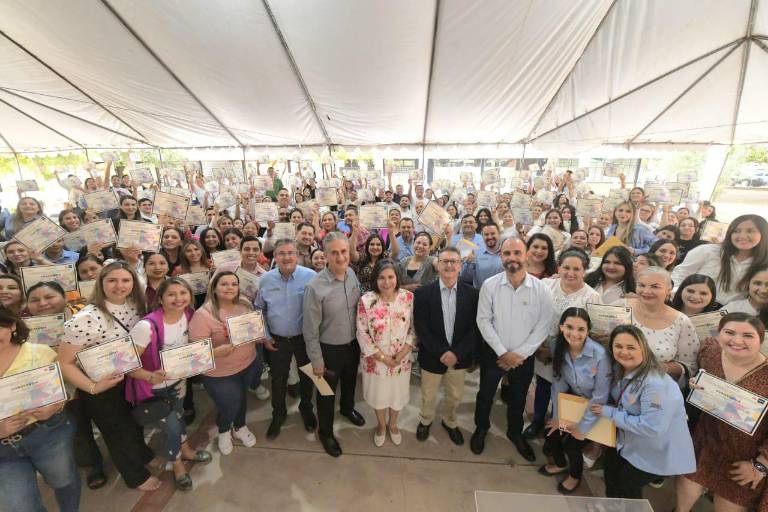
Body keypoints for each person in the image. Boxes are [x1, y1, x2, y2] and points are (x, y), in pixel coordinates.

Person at [58, 261, 160, 491]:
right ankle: (135, 476)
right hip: (100, 385)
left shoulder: (136, 305)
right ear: (101, 283)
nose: (119, 286)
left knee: (133, 423)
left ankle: (143, 454)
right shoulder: (85, 318)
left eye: (125, 280)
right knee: (118, 432)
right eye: (112, 280)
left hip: (129, 376)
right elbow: (64, 362)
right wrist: (93, 387)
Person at [125, 278, 212, 490]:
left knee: (179, 418)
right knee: (172, 428)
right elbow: (125, 364)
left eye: (183, 293)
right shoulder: (146, 326)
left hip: (179, 382)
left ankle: (187, 450)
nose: (178, 298)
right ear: (160, 298)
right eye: (171, 294)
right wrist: (148, 375)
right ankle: (177, 464)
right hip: (155, 390)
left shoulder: (189, 316)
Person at [472, 237, 555, 460]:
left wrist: (520, 355)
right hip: (494, 353)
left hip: (523, 357)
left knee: (518, 398)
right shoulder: (490, 285)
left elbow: (543, 325)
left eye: (517, 253)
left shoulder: (541, 290)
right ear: (501, 257)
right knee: (485, 394)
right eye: (507, 253)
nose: (512, 258)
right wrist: (502, 352)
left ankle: (514, 432)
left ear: (526, 255)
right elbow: (483, 321)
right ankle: (481, 428)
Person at [590, 325, 695, 499]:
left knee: (627, 486)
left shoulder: (656, 385)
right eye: (618, 346)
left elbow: (652, 428)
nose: (624, 352)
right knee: (611, 475)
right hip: (627, 441)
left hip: (653, 451)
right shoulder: (622, 370)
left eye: (631, 347)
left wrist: (610, 413)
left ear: (644, 349)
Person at [677, 313, 768, 511]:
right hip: (704, 442)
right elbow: (696, 372)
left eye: (748, 336)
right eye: (729, 332)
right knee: (684, 499)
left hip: (744, 457)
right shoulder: (710, 352)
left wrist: (761, 464)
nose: (737, 340)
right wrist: (695, 383)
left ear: (760, 339)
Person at [0, 308, 81, 512]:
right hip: (3, 451)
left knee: (64, 480)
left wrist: (55, 405)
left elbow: (69, 387)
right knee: (20, 506)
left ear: (11, 325)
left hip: (48, 433)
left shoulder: (40, 353)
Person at [526, 249, 601, 439]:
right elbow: (532, 315)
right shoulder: (546, 285)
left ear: (585, 270)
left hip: (572, 356)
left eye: (577, 269)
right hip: (542, 348)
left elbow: (593, 332)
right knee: (542, 386)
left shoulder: (592, 297)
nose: (570, 273)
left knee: (564, 392)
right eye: (566, 267)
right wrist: (538, 348)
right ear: (559, 267)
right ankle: (537, 421)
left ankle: (558, 427)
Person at [303, 232, 365, 458]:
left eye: (344, 251)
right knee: (325, 394)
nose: (341, 257)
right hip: (328, 350)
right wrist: (317, 361)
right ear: (325, 255)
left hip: (352, 345)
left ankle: (347, 408)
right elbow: (309, 330)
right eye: (334, 253)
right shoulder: (315, 288)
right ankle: (326, 433)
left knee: (349, 383)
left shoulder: (351, 273)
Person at [538, 308, 611, 495]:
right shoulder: (557, 345)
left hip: (596, 407)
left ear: (588, 331)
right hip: (573, 401)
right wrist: (557, 416)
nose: (575, 334)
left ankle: (575, 475)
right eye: (569, 327)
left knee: (572, 443)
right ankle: (561, 465)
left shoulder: (600, 355)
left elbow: (600, 397)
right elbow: (558, 383)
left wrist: (582, 428)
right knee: (551, 431)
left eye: (581, 329)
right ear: (561, 327)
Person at [413, 247, 479, 445]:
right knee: (428, 394)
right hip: (433, 356)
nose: (449, 265)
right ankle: (426, 419)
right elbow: (421, 327)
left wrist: (457, 353)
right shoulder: (423, 294)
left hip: (459, 358)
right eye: (445, 261)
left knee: (455, 395)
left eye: (454, 261)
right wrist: (442, 352)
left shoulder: (473, 294)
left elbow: (475, 329)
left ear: (460, 265)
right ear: (437, 265)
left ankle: (450, 421)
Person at [189, 271, 259, 455]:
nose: (230, 288)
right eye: (224, 284)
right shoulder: (202, 315)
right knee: (229, 404)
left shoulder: (244, 304)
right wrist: (215, 351)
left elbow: (252, 328)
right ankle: (224, 430)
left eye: (234, 284)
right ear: (214, 287)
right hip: (220, 373)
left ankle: (240, 426)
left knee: (242, 398)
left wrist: (257, 334)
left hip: (247, 363)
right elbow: (194, 354)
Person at [254, 239, 318, 440]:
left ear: (297, 254)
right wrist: (265, 337)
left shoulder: (311, 277)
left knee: (308, 377)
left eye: (290, 252)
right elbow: (259, 310)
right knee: (278, 380)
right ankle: (278, 413)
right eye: (281, 253)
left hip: (304, 340)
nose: (286, 257)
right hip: (277, 341)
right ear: (275, 257)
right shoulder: (266, 280)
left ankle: (306, 408)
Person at [356, 260, 414, 447]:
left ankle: (393, 425)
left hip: (401, 362)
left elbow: (415, 329)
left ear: (397, 278)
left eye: (390, 277)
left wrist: (402, 353)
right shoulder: (366, 300)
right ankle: (381, 425)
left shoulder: (408, 298)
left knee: (396, 396)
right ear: (375, 279)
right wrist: (382, 357)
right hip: (376, 363)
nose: (387, 282)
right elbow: (362, 332)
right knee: (379, 396)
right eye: (381, 277)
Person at [612, 267, 700, 384]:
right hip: (611, 381)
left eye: (655, 286)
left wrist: (656, 368)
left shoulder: (681, 321)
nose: (646, 291)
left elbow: (689, 365)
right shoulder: (620, 307)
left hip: (654, 388)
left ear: (669, 290)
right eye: (641, 285)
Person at [672, 214, 768, 305]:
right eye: (736, 231)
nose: (742, 236)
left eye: (750, 231)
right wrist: (677, 299)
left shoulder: (764, 263)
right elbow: (680, 274)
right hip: (693, 307)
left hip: (734, 316)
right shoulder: (707, 251)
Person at [461, 223, 504, 289]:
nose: (489, 237)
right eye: (486, 234)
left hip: (503, 294)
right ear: (482, 236)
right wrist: (468, 264)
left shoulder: (507, 252)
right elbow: (465, 278)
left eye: (493, 233)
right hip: (481, 295)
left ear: (499, 234)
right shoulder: (475, 253)